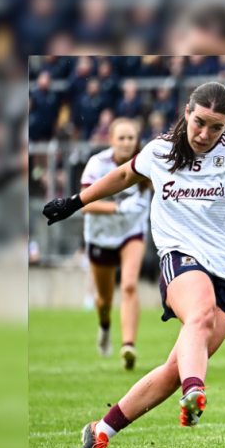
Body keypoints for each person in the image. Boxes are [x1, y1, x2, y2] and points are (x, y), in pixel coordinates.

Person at [42, 81, 225, 448]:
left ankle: (101, 429)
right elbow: (123, 176)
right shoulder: (159, 150)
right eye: (200, 122)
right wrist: (74, 201)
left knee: (174, 367)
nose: (205, 134)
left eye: (216, 127)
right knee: (197, 315)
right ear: (187, 112)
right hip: (180, 256)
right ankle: (195, 390)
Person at [79, 117, 150, 369]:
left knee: (130, 285)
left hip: (133, 232)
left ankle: (128, 345)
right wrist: (118, 208)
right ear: (110, 140)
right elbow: (85, 203)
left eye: (131, 138)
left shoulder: (146, 162)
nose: (126, 142)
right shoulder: (97, 164)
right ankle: (105, 326)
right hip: (101, 236)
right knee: (105, 299)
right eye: (121, 138)